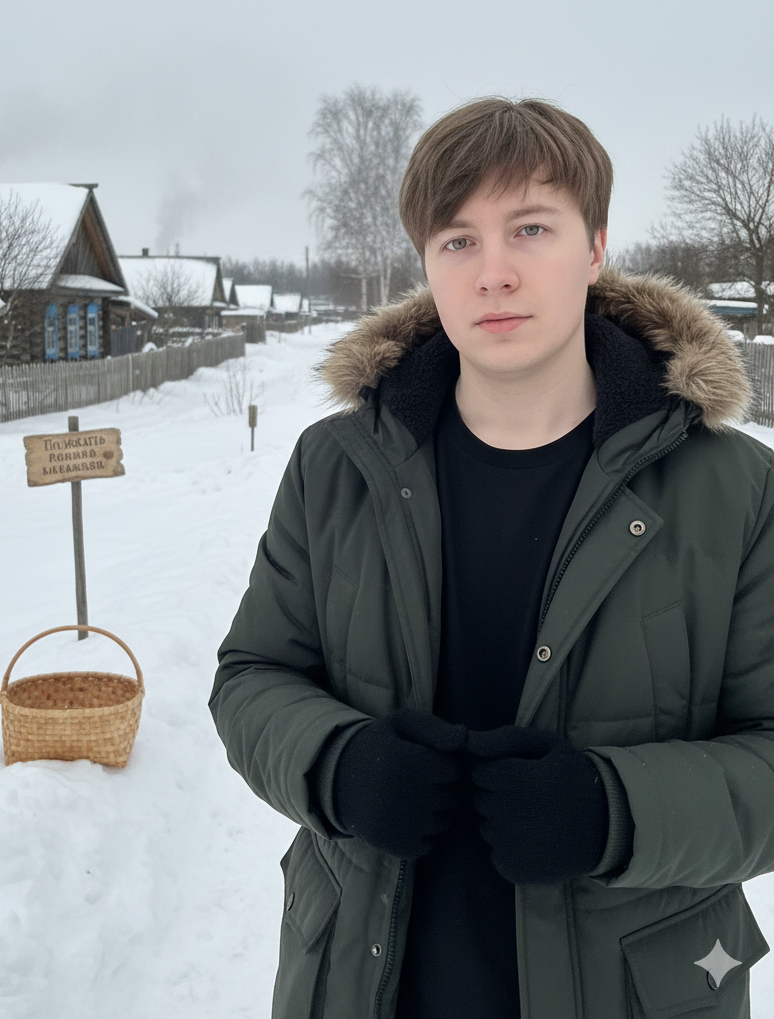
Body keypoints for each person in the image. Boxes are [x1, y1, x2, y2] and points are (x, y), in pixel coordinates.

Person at [209, 97, 774, 1019]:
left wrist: (614, 809)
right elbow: (251, 677)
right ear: (427, 263)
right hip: (363, 980)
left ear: (595, 248)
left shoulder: (736, 489)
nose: (494, 272)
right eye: (458, 240)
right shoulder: (336, 467)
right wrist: (338, 766)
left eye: (531, 229)